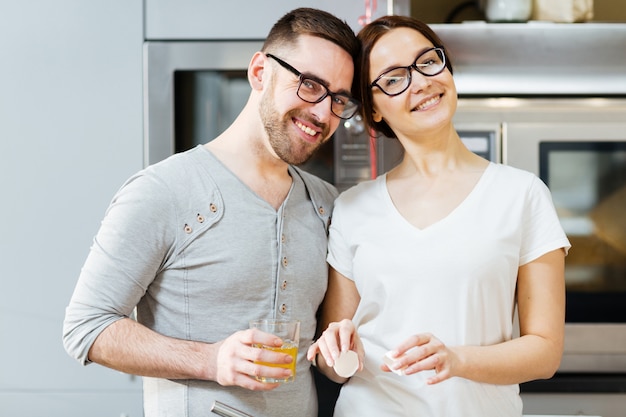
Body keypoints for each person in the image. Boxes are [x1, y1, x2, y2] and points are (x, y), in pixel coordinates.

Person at [62, 8, 360, 417]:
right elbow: (87, 327)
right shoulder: (163, 191)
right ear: (260, 71)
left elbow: (327, 350)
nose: (323, 114)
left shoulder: (327, 205)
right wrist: (211, 360)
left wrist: (340, 353)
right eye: (309, 85)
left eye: (338, 99)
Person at [307, 15, 571, 417]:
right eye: (394, 79)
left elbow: (545, 351)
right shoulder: (353, 208)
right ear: (374, 110)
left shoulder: (521, 195)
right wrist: (337, 349)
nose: (421, 82)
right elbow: (334, 366)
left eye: (428, 61)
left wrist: (457, 360)